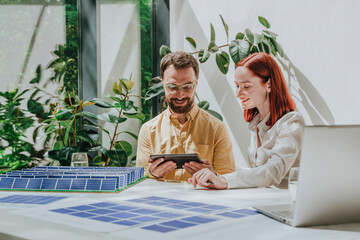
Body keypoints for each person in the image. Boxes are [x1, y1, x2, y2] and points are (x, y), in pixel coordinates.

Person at [189, 52, 304, 189]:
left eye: (246, 87)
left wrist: (225, 181)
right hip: (265, 200)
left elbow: (273, 172)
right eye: (237, 86)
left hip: (289, 204)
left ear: (269, 85)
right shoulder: (256, 123)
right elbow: (257, 174)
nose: (238, 93)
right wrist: (217, 174)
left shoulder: (291, 123)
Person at [136, 51, 235, 181]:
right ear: (163, 85)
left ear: (196, 84)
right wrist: (151, 174)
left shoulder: (217, 128)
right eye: (172, 87)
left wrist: (214, 177)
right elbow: (139, 181)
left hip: (204, 201)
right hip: (161, 200)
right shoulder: (148, 130)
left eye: (187, 87)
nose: (180, 95)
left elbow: (229, 179)